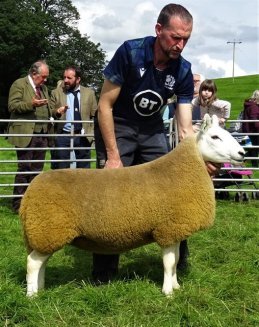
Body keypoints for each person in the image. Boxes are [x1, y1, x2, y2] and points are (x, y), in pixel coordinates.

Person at [92, 4, 218, 284]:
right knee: (111, 194)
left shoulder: (183, 70)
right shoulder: (130, 51)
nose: (180, 44)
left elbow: (185, 127)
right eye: (175, 37)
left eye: (186, 38)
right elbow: (104, 105)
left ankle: (177, 263)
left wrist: (197, 161)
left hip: (151, 130)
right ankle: (104, 272)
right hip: (118, 124)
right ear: (159, 30)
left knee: (173, 189)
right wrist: (113, 156)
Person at [7, 60, 66, 213]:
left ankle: (32, 203)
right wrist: (31, 104)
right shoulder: (19, 84)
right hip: (26, 133)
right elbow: (12, 105)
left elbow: (48, 110)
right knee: (25, 168)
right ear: (34, 74)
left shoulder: (43, 88)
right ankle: (18, 205)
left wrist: (57, 112)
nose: (46, 80)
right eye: (43, 77)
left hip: (42, 134)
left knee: (37, 169)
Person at [50, 66, 98, 169]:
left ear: (78, 79)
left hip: (83, 137)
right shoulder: (56, 93)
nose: (65, 80)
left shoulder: (89, 93)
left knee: (84, 170)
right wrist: (57, 112)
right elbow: (51, 111)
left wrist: (91, 134)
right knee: (62, 170)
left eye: (69, 78)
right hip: (63, 136)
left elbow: (95, 114)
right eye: (64, 77)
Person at [242, 90, 259, 167]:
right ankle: (254, 165)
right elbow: (254, 120)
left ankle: (244, 160)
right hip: (253, 130)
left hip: (249, 130)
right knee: (255, 148)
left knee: (254, 148)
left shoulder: (250, 105)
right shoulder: (254, 107)